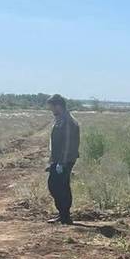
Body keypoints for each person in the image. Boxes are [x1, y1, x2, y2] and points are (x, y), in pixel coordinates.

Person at [45, 94, 80, 224]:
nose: (51, 110)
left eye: (52, 107)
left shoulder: (68, 122)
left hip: (65, 160)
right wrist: (53, 160)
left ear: (58, 106)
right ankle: (63, 214)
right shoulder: (60, 119)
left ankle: (65, 216)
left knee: (60, 187)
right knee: (55, 186)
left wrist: (62, 162)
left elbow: (68, 143)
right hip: (59, 159)